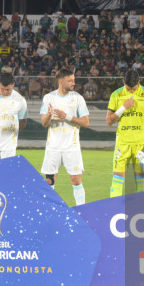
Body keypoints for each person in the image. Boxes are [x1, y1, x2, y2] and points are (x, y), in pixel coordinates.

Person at [39, 68, 90, 205]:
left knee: (76, 180)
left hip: (71, 147)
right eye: (70, 81)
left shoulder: (78, 98)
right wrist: (49, 115)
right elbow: (44, 123)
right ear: (61, 82)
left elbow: (86, 122)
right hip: (53, 147)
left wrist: (66, 116)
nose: (73, 83)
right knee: (49, 180)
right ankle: (49, 210)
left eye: (73, 80)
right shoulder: (49, 98)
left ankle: (82, 210)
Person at [106, 69, 144, 197]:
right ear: (123, 81)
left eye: (133, 89)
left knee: (140, 181)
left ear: (139, 81)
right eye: (128, 88)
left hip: (140, 144)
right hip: (122, 143)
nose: (131, 91)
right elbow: (109, 121)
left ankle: (139, 207)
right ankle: (114, 207)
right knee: (117, 179)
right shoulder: (116, 95)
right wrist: (123, 107)